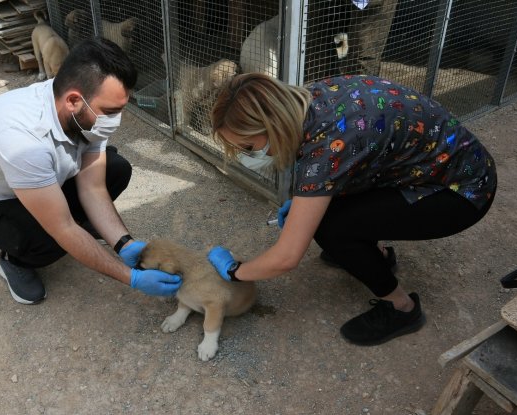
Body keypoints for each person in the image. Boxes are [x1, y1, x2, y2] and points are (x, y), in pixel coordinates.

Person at [206, 73, 496, 346]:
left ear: (273, 125)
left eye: (248, 147)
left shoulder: (327, 146)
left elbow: (287, 257)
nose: (247, 156)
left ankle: (401, 308)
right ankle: (378, 256)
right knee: (327, 214)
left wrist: (235, 272)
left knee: (329, 228)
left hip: (462, 193)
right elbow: (353, 160)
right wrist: (307, 199)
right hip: (439, 166)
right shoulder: (310, 99)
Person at [0, 38, 181, 304]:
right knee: (51, 237)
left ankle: (85, 227)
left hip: (38, 183)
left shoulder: (84, 110)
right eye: (111, 111)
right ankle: (15, 260)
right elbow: (63, 228)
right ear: (73, 101)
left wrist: (122, 242)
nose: (116, 120)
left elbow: (93, 187)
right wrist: (132, 278)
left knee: (116, 169)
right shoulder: (22, 142)